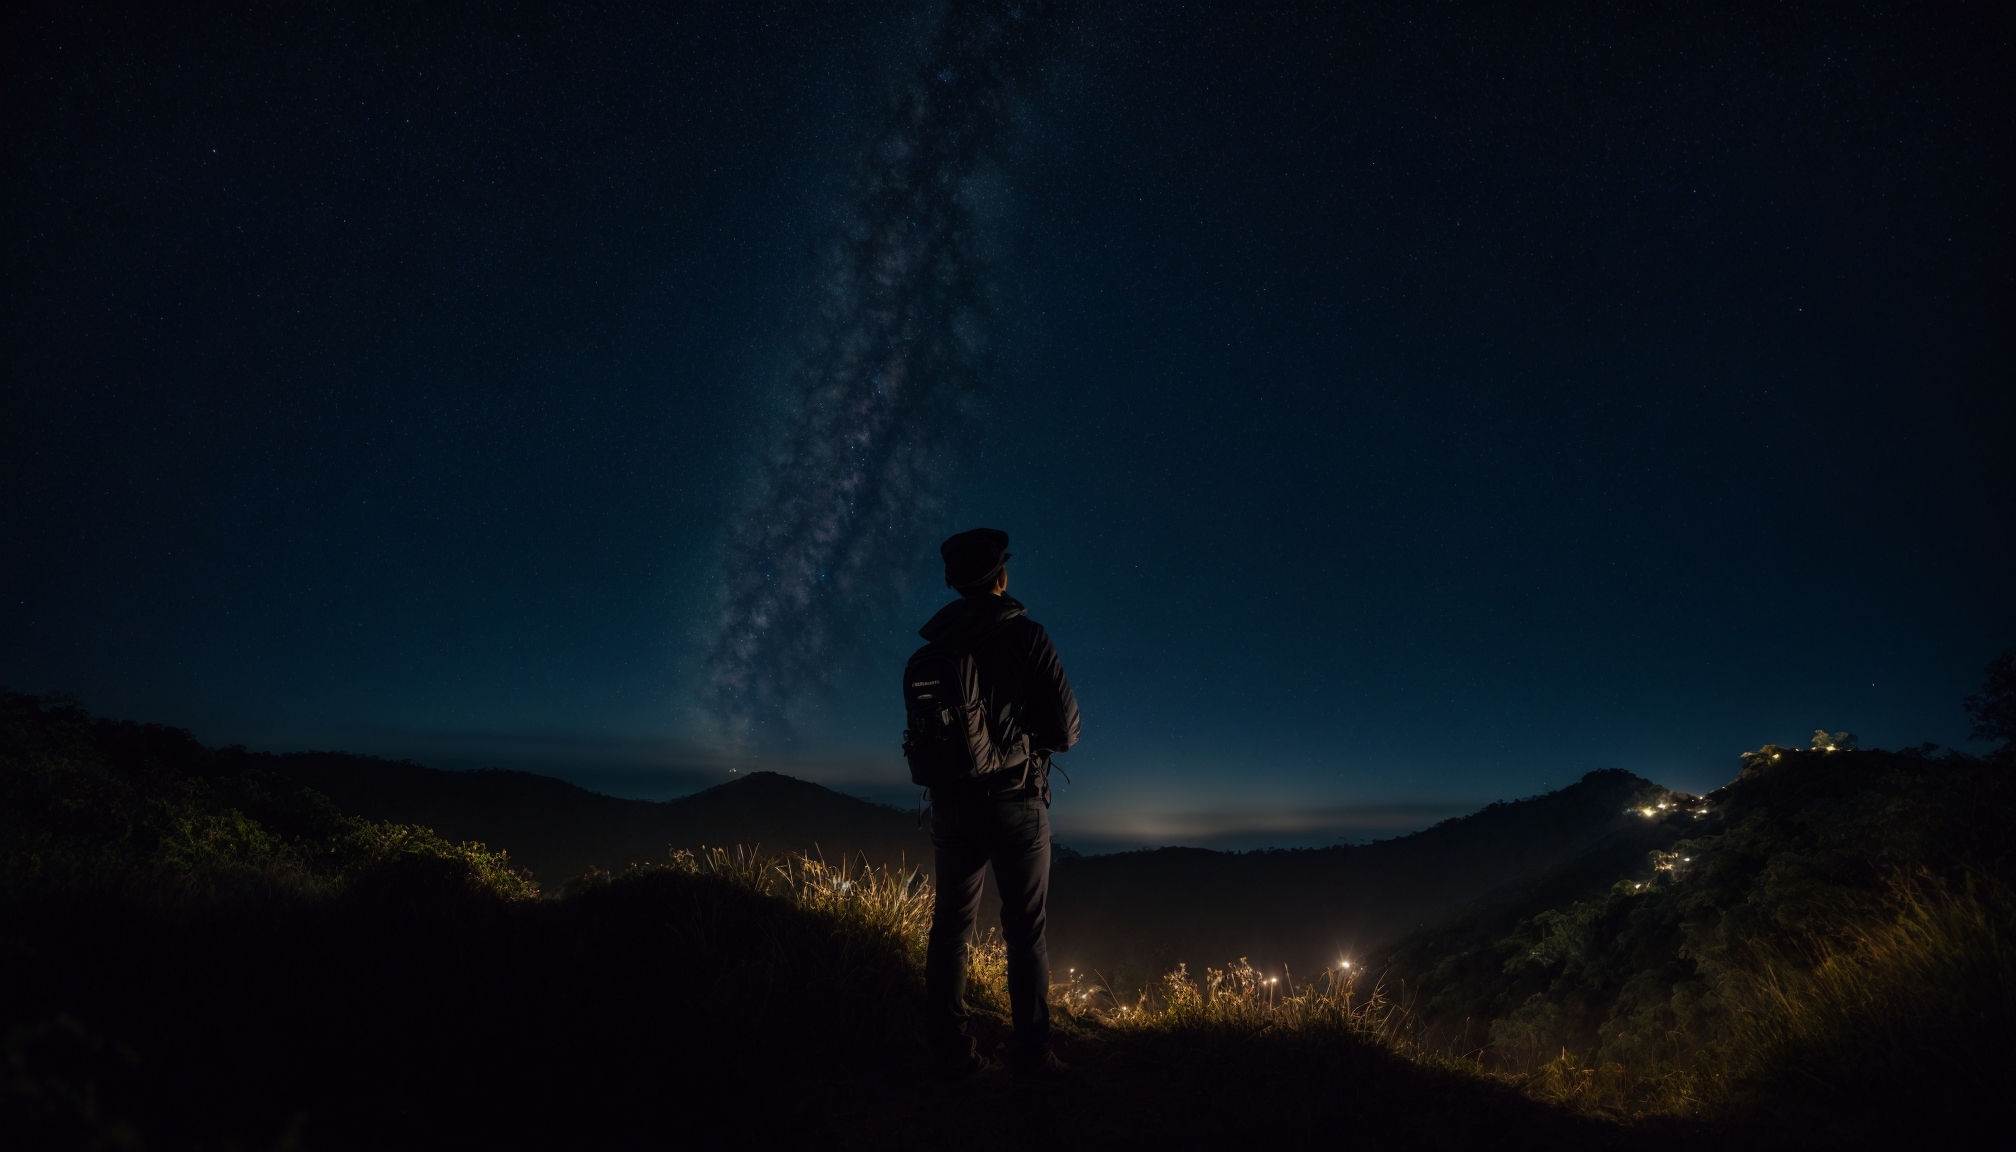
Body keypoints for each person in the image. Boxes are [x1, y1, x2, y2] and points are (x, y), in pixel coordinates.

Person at [919, 528, 1081, 1084]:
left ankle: (948, 1051)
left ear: (954, 582)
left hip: (949, 805)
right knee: (1025, 933)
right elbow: (1065, 732)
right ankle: (1033, 1057)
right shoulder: (1027, 636)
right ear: (1000, 577)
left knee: (950, 929)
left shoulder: (936, 645)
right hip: (1014, 803)